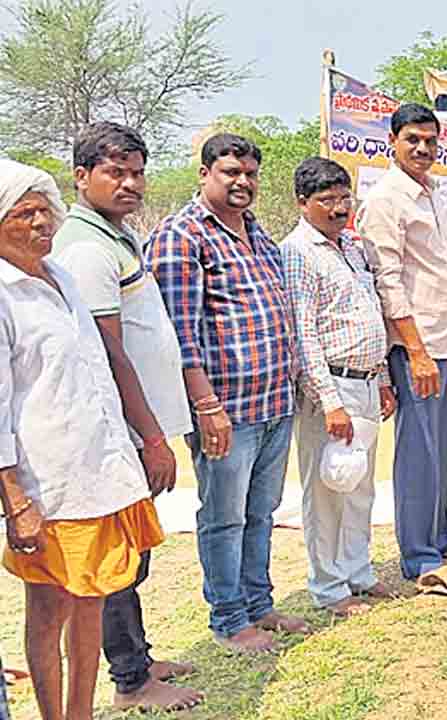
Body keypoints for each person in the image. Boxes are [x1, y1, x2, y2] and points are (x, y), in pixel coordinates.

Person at [1, 159, 165, 720]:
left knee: (93, 604)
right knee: (49, 614)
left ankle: (81, 714)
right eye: (25, 213)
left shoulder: (62, 277)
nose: (42, 223)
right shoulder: (2, 293)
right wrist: (15, 499)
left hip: (101, 473)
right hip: (47, 485)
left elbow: (97, 372)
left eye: (46, 209)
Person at [50, 122, 202, 711]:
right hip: (122, 435)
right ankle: (131, 681)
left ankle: (136, 656)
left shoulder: (114, 235)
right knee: (116, 561)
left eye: (137, 171)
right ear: (82, 176)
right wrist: (151, 436)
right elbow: (110, 355)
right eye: (116, 172)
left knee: (131, 556)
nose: (131, 183)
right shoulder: (86, 248)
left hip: (136, 432)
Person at [149, 133, 310, 653]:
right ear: (204, 174)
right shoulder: (183, 236)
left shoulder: (260, 237)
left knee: (262, 512)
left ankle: (259, 605)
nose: (242, 182)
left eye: (250, 174)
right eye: (230, 173)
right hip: (226, 410)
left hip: (273, 403)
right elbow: (181, 333)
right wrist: (206, 406)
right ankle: (229, 619)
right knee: (223, 517)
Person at [283, 157, 399, 616]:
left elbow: (370, 310)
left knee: (361, 485)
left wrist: (384, 378)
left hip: (367, 382)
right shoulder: (298, 252)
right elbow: (303, 334)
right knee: (328, 489)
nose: (337, 208)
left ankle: (358, 572)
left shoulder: (351, 245)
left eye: (342, 197)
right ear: (302, 204)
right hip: (331, 387)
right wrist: (329, 402)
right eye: (325, 200)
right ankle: (329, 588)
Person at [357, 103, 447, 580]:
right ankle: (419, 556)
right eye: (412, 140)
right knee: (418, 450)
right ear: (392, 143)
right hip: (415, 346)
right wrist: (415, 351)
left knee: (439, 446)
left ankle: (437, 539)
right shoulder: (385, 200)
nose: (422, 149)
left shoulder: (432, 192)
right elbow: (389, 281)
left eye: (429, 141)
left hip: (446, 341)